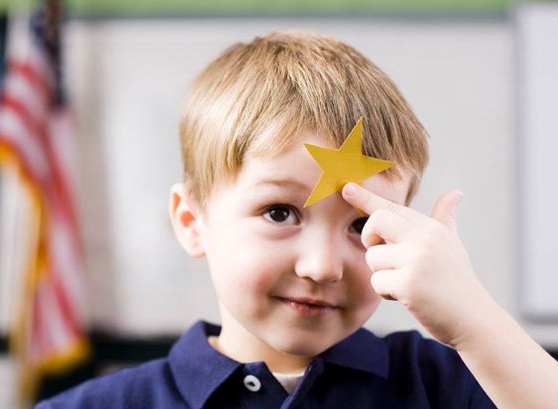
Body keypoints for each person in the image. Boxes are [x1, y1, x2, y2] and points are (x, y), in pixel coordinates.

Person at [36, 30, 558, 408]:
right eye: (280, 212)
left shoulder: (447, 381)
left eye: (360, 226)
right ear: (192, 220)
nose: (322, 266)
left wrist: (474, 319)